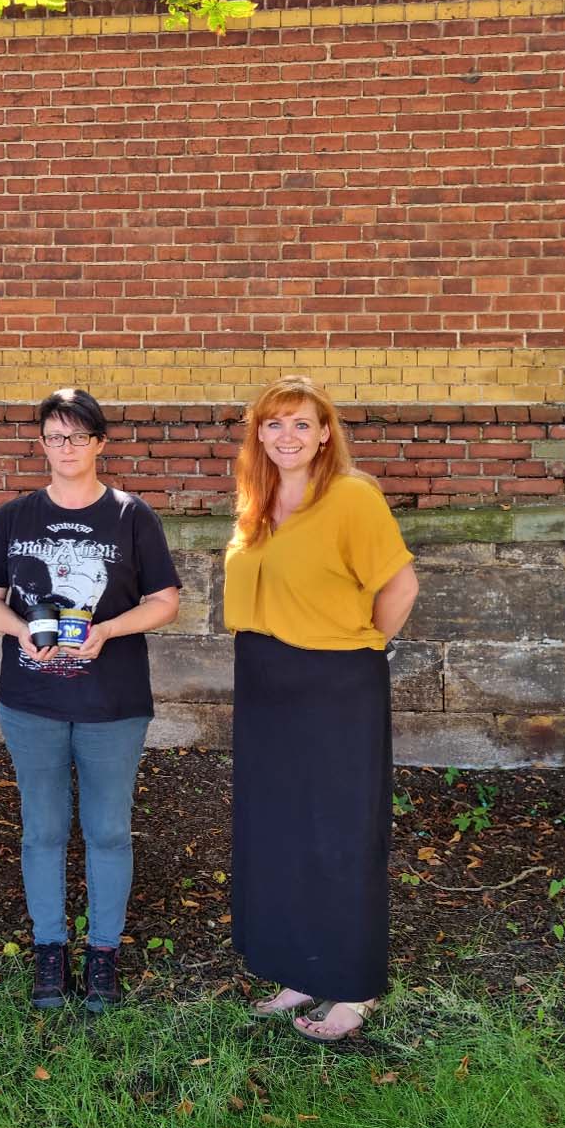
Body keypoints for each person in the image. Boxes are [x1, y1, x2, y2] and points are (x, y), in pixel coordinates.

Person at [0, 388, 182, 1013]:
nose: (67, 448)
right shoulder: (14, 517)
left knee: (109, 831)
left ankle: (103, 955)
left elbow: (165, 600)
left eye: (79, 437)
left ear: (99, 444)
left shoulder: (131, 515)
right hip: (31, 699)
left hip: (112, 702)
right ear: (42, 444)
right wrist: (18, 632)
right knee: (43, 830)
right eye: (55, 437)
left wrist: (108, 632)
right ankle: (49, 949)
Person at [223, 375, 419, 1043]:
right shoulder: (259, 500)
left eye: (301, 424)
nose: (286, 437)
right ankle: (299, 971)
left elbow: (400, 585)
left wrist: (360, 649)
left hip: (335, 685)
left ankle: (354, 987)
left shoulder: (352, 497)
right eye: (273, 424)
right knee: (280, 833)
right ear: (259, 434)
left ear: (326, 432)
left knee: (339, 836)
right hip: (264, 681)